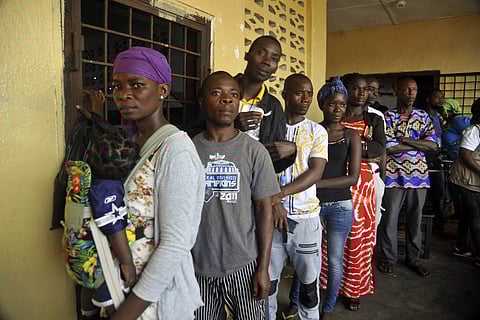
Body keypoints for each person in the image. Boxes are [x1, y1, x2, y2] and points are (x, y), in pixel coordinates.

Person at [108, 47, 205, 320]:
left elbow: (175, 245)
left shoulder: (175, 151)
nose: (124, 93)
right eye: (117, 85)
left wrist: (125, 314)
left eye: (137, 84)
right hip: (121, 291)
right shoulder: (130, 145)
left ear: (162, 91)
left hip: (154, 304)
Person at [192, 71, 279, 320]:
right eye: (216, 93)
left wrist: (263, 268)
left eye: (233, 95)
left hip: (244, 264)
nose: (226, 100)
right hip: (199, 265)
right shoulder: (188, 149)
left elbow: (265, 211)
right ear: (202, 102)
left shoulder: (254, 151)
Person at [268, 74, 328, 320]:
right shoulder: (269, 128)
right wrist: (272, 202)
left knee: (308, 285)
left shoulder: (316, 132)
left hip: (304, 218)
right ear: (284, 95)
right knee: (267, 283)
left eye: (309, 94)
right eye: (298, 93)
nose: (305, 99)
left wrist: (279, 195)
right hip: (269, 219)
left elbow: (316, 171)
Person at [378, 78, 438, 278]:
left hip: (419, 176)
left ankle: (414, 259)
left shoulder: (423, 116)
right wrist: (418, 143)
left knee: (415, 219)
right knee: (389, 220)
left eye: (415, 89)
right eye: (407, 89)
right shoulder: (387, 117)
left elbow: (433, 146)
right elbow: (389, 147)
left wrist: (405, 140)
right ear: (397, 91)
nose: (412, 93)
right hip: (393, 175)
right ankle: (388, 258)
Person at [339, 73, 386, 311]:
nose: (361, 93)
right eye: (356, 88)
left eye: (365, 89)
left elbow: (380, 147)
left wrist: (351, 146)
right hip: (336, 180)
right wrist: (361, 145)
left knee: (358, 237)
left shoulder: (374, 119)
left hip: (363, 185)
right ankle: (333, 285)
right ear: (346, 90)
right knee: (335, 235)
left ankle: (353, 289)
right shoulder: (335, 113)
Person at [316, 77, 361, 318]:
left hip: (340, 205)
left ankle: (329, 306)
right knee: (308, 257)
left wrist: (315, 184)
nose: (337, 109)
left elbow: (352, 178)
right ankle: (300, 300)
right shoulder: (313, 131)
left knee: (334, 260)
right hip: (311, 204)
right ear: (322, 104)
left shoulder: (351, 136)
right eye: (332, 103)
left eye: (342, 105)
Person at [234, 35, 296, 172]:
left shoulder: (274, 107)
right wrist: (232, 128)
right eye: (261, 53)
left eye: (274, 59)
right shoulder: (222, 92)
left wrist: (291, 152)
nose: (267, 62)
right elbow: (194, 136)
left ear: (275, 68)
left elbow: (275, 164)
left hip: (253, 183)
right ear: (247, 56)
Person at [448, 98, 480, 267]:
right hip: (468, 180)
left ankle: (461, 246)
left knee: (468, 215)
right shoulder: (474, 130)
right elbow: (465, 154)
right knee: (476, 216)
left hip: (473, 179)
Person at [424, 89, 447, 232]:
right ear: (428, 99)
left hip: (436, 158)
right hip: (425, 158)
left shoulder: (438, 116)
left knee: (439, 193)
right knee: (424, 194)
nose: (440, 100)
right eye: (437, 97)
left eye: (442, 97)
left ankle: (439, 225)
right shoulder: (423, 116)